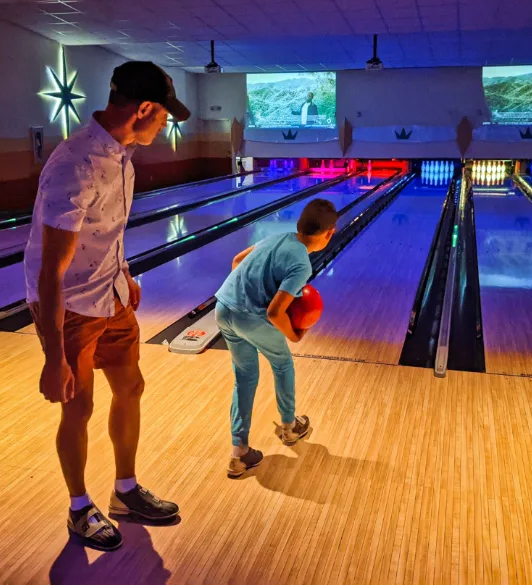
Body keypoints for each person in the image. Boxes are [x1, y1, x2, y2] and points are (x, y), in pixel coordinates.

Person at [23, 61, 190, 552]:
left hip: (110, 293)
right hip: (70, 305)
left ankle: (124, 491)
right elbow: (50, 272)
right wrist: (54, 359)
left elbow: (105, 232)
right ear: (143, 109)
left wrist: (124, 272)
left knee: (132, 386)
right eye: (162, 117)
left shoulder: (121, 155)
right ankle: (79, 508)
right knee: (79, 406)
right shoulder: (75, 165)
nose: (164, 126)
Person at [214, 199, 338, 478]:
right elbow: (274, 312)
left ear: (299, 225)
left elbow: (237, 260)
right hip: (253, 319)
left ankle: (239, 453)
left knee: (244, 377)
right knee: (282, 364)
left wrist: (242, 296)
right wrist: (294, 335)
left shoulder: (277, 237)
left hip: (223, 308)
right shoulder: (301, 264)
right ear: (330, 233)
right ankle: (290, 428)